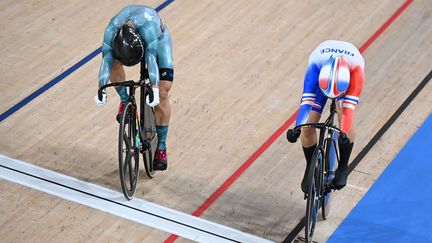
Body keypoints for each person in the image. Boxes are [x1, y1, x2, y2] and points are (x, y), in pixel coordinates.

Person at [94, 5, 174, 171]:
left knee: (163, 90)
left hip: (158, 42)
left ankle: (161, 147)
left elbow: (151, 59)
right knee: (113, 62)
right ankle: (125, 100)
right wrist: (101, 89)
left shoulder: (149, 28)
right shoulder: (111, 31)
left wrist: (154, 88)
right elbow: (106, 61)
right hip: (131, 42)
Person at [287, 40, 364, 192]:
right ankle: (310, 166)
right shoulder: (315, 66)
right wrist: (297, 128)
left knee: (344, 116)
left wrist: (344, 131)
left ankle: (343, 167)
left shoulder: (356, 70)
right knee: (308, 126)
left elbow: (349, 111)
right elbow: (306, 105)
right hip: (323, 79)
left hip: (344, 79)